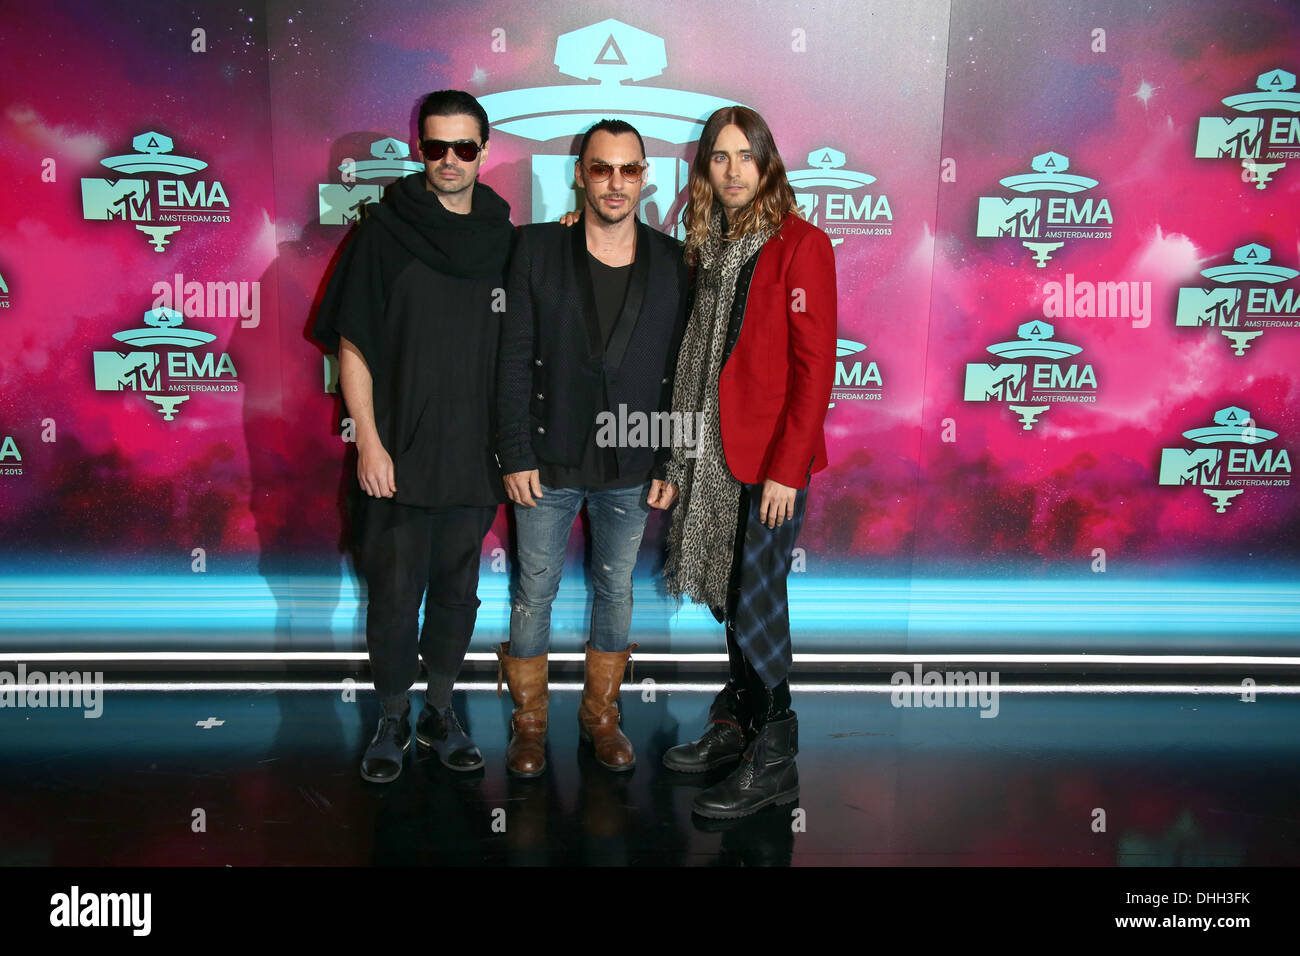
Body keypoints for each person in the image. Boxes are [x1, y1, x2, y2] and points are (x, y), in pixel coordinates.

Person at [313, 90, 515, 783]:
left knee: (458, 593)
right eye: (436, 148)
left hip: (473, 456)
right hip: (395, 454)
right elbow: (354, 347)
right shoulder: (384, 233)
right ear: (418, 149)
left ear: (484, 152)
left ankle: (441, 710)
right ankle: (393, 715)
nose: (450, 161)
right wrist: (368, 442)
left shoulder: (503, 238)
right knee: (396, 592)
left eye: (464, 148)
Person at [659, 106, 837, 819]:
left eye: (745, 156)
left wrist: (788, 468)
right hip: (712, 455)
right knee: (729, 596)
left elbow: (814, 366)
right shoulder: (707, 244)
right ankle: (738, 721)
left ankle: (776, 753)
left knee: (758, 599)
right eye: (719, 158)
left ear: (768, 163)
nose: (732, 171)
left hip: (768, 464)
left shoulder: (802, 246)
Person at [496, 119, 688, 776]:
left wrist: (671, 458)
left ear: (645, 175)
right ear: (579, 173)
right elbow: (514, 358)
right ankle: (528, 723)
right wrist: (515, 453)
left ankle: (602, 716)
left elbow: (683, 371)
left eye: (628, 169)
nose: (615, 182)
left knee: (616, 591)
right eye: (601, 168)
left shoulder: (673, 260)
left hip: (633, 461)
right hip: (546, 461)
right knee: (534, 590)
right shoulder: (536, 250)